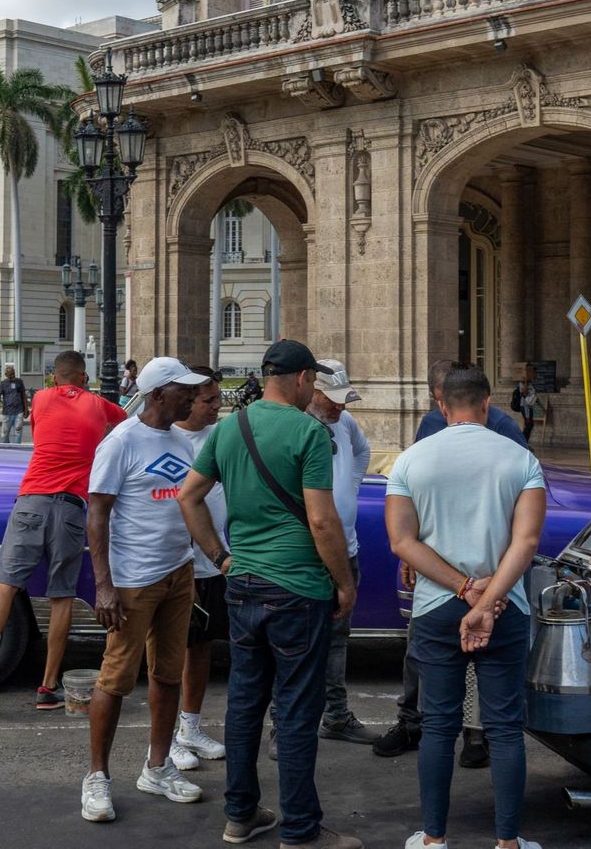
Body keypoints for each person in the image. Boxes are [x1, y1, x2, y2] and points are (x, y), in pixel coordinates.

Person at [179, 338, 363, 849]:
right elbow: (322, 521)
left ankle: (240, 815)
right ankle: (301, 830)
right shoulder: (309, 432)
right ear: (303, 379)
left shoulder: (229, 428)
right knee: (298, 710)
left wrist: (220, 558)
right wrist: (344, 583)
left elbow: (188, 497)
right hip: (298, 589)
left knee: (244, 704)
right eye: (313, 381)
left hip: (243, 585)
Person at [386, 361, 548, 849]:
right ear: (486, 404)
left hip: (438, 606)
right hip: (505, 608)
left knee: (439, 726)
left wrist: (464, 589)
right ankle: (508, 842)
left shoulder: (411, 461)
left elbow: (402, 541)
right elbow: (527, 541)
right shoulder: (520, 459)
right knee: (505, 728)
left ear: (441, 405)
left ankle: (434, 839)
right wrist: (489, 597)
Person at [80, 356, 213, 824]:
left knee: (168, 675)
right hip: (133, 581)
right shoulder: (121, 442)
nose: (192, 398)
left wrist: (202, 563)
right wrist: (104, 585)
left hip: (179, 574)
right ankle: (97, 777)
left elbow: (191, 504)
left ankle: (156, 768)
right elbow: (97, 514)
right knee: (115, 679)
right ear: (158, 394)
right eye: (184, 391)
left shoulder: (181, 441)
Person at [377, 358, 527, 765]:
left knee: (470, 702)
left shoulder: (506, 432)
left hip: (482, 579)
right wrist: (476, 588)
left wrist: (480, 588)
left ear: (446, 401)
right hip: (456, 580)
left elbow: (516, 520)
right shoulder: (429, 430)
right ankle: (412, 720)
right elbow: (414, 518)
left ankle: (475, 737)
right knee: (428, 668)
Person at [0, 350, 127, 704]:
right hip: (70, 509)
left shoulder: (42, 399)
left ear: (53, 378)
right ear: (85, 378)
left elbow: (41, 426)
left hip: (31, 501)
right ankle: (48, 687)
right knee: (61, 595)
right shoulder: (99, 405)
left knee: (5, 583)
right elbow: (124, 422)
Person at [299, 359, 375, 746]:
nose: (340, 406)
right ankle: (285, 723)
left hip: (345, 546)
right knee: (296, 643)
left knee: (337, 638)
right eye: (333, 399)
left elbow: (362, 451)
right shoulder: (296, 427)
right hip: (306, 554)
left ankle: (336, 715)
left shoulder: (342, 422)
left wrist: (351, 487)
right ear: (312, 391)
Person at [171, 367, 229, 772]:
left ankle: (189, 727)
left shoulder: (221, 436)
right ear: (188, 400)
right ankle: (164, 739)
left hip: (214, 562)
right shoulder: (167, 440)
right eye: (209, 400)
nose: (217, 406)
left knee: (201, 645)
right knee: (168, 651)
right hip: (175, 564)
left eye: (218, 398)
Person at [0, 365, 29, 443]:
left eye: (13, 373)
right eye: (11, 374)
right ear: (6, 375)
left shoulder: (19, 382)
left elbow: (24, 395)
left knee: (18, 433)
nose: (13, 376)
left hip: (19, 412)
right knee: (4, 434)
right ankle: (6, 448)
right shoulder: (3, 383)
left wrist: (26, 409)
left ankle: (17, 448)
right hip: (7, 413)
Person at [508, 366, 538, 442]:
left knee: (529, 424)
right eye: (534, 373)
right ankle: (522, 441)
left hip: (529, 406)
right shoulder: (522, 384)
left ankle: (524, 442)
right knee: (529, 424)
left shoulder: (530, 384)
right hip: (525, 407)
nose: (535, 374)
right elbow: (525, 393)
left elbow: (533, 396)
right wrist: (525, 381)